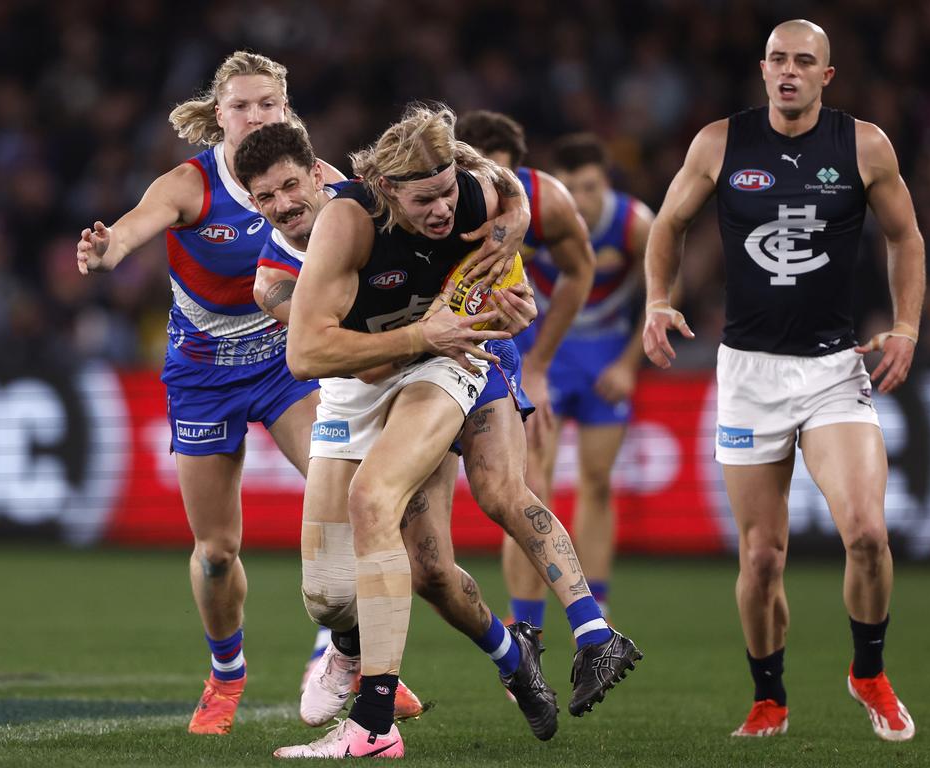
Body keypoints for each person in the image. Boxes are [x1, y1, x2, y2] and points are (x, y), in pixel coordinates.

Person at [642, 20, 924, 742]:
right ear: (762, 69)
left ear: (827, 76)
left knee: (865, 532)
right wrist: (657, 300)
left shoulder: (863, 144)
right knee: (762, 556)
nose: (789, 71)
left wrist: (907, 326)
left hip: (834, 370)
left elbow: (905, 236)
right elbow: (668, 223)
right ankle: (769, 697)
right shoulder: (718, 143)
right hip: (748, 376)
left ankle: (868, 669)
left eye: (805, 61)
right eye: (778, 60)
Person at [75, 51, 335, 735]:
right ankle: (226, 674)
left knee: (346, 498)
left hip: (285, 365)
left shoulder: (316, 180)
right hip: (202, 374)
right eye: (241, 106)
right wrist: (106, 249)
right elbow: (132, 228)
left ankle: (341, 656)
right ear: (218, 116)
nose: (255, 117)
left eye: (267, 105)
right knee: (217, 552)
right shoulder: (189, 185)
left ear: (285, 109)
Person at [270, 103, 540, 759]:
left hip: (442, 367)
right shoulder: (343, 223)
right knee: (333, 595)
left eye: (448, 191)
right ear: (387, 191)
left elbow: (520, 197)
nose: (444, 209)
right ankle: (497, 655)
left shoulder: (474, 189)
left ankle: (374, 724)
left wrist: (514, 251)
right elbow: (304, 356)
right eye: (425, 200)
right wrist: (423, 331)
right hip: (359, 373)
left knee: (374, 500)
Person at [235, 121, 425, 722]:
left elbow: (474, 179)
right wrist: (405, 337)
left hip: (429, 375)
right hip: (350, 390)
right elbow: (338, 360)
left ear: (320, 174)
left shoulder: (371, 199)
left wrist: (514, 219)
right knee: (325, 592)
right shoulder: (270, 280)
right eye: (266, 198)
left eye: (291, 186)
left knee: (436, 559)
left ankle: (537, 644)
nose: (283, 205)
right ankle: (346, 646)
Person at [454, 110, 642, 713]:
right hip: (490, 348)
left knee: (567, 486)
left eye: (505, 178)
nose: (499, 196)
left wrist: (545, 364)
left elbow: (594, 272)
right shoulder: (439, 199)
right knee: (524, 489)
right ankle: (535, 628)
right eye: (483, 178)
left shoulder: (563, 204)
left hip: (551, 352)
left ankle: (587, 618)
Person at [488, 127, 655, 627]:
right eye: (571, 187)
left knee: (597, 483)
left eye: (589, 187)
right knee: (530, 488)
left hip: (605, 361)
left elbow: (664, 289)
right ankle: (528, 622)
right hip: (543, 355)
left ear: (605, 184)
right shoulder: (528, 213)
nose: (579, 199)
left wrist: (629, 362)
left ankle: (597, 609)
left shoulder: (634, 224)